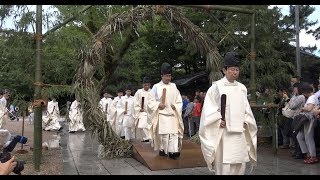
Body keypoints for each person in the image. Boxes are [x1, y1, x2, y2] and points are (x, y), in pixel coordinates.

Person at [199, 52, 257, 175]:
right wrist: (218, 120)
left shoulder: (242, 88)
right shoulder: (216, 87)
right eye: (232, 69)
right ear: (224, 70)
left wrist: (246, 121)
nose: (235, 72)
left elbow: (246, 109)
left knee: (240, 162)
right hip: (224, 132)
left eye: (237, 69)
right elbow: (209, 110)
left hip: (240, 131)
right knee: (224, 165)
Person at [147, 62, 184, 160]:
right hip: (162, 114)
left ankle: (173, 151)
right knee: (164, 134)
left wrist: (175, 106)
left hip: (172, 114)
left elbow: (179, 99)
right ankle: (163, 149)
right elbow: (150, 101)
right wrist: (158, 105)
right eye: (166, 76)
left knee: (174, 133)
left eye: (170, 76)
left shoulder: (174, 86)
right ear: (162, 76)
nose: (168, 78)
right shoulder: (156, 87)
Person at [133, 76, 153, 142]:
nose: (146, 86)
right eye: (145, 85)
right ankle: (145, 139)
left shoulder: (152, 92)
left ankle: (148, 139)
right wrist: (139, 108)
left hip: (150, 113)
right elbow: (135, 102)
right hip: (142, 112)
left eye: (148, 85)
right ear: (143, 85)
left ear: (150, 85)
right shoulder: (139, 92)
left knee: (149, 127)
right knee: (142, 126)